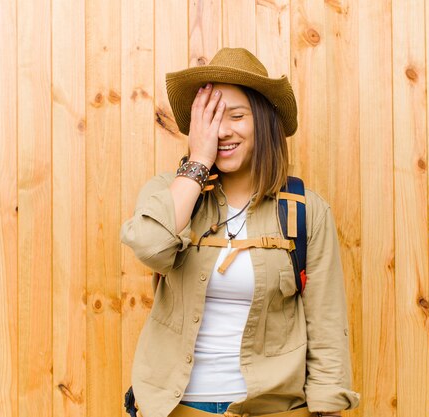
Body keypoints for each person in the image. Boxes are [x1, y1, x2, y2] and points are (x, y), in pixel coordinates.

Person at [120, 47, 360, 417]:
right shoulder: (171, 192)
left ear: (261, 121)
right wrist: (198, 163)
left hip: (273, 409)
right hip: (179, 407)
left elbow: (327, 328)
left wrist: (329, 408)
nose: (224, 130)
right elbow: (150, 247)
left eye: (236, 115)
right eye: (212, 118)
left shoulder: (306, 210)